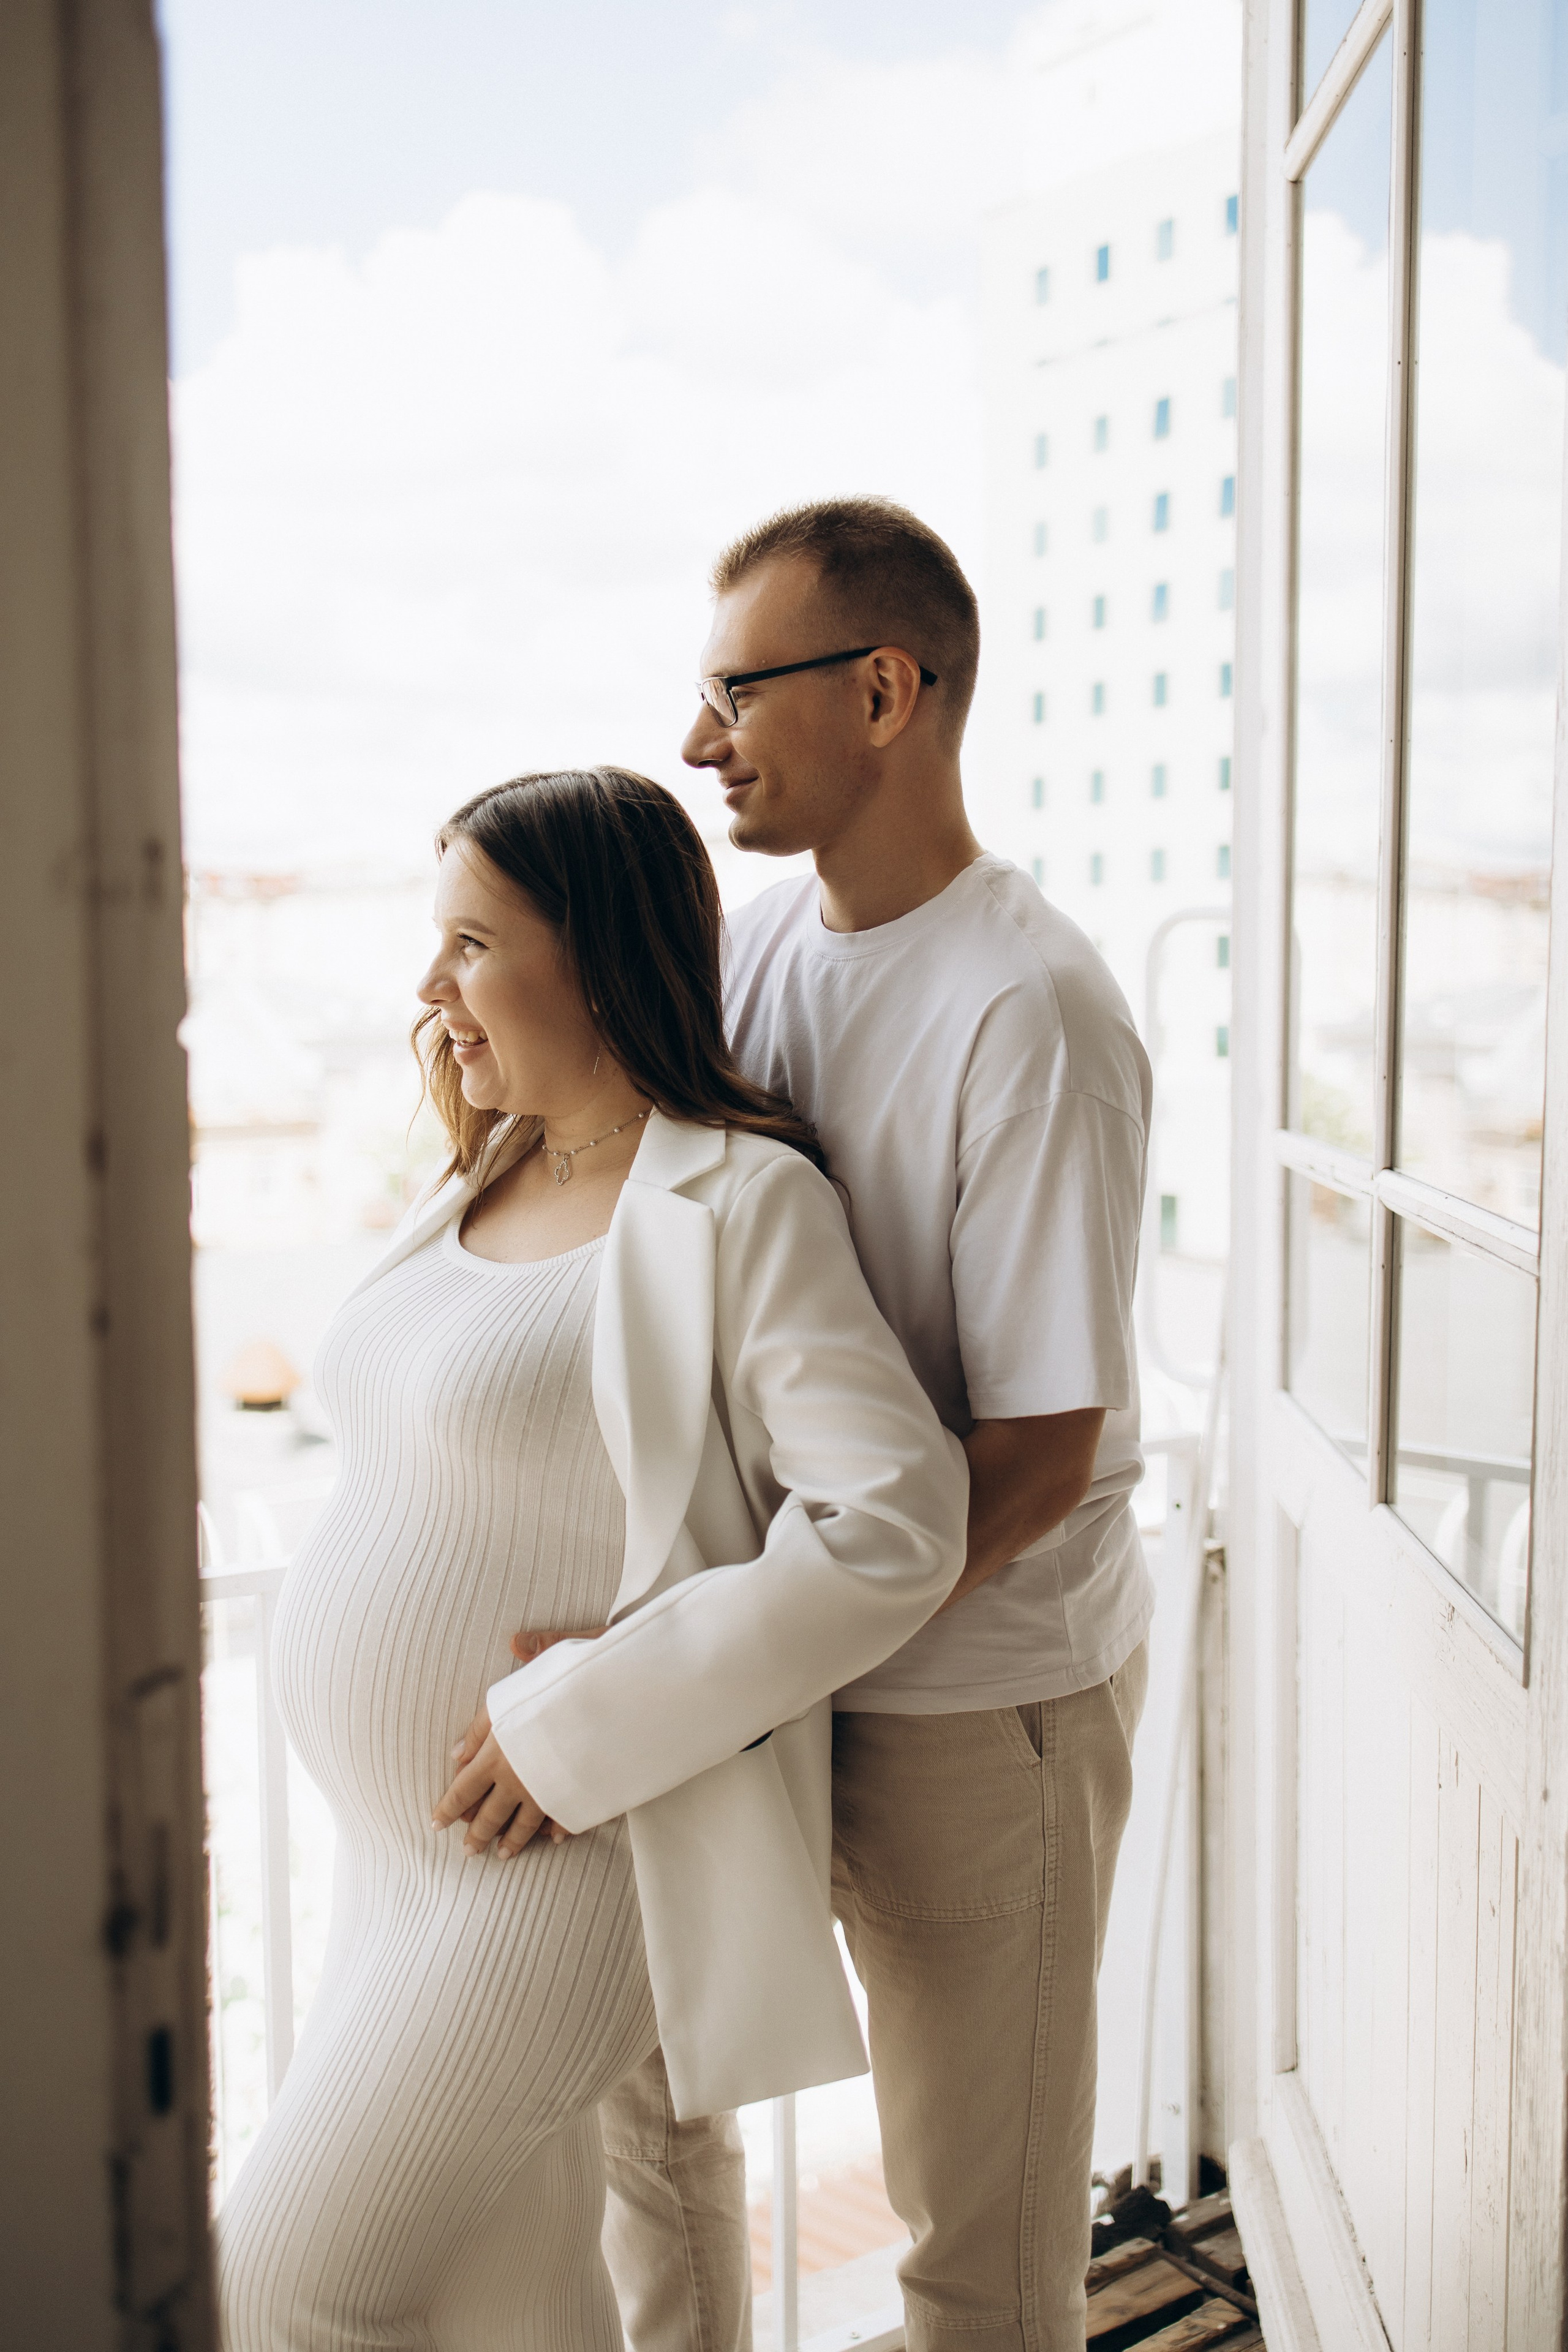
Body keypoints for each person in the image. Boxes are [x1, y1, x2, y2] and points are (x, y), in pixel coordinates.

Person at [215, 766, 970, 2351]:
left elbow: (897, 1520)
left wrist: (590, 1709)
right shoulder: (489, 1168)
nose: (432, 986)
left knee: (280, 2286)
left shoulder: (739, 1198)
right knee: (511, 2303)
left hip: (561, 1867)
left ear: (602, 953)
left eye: (474, 944)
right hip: (399, 1861)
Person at [592, 500, 1153, 2352]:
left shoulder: (1032, 1008)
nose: (698, 745)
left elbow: (1041, 1447)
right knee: (660, 2127)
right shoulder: (754, 955)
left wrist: (742, 1655)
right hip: (794, 1676)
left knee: (973, 2264)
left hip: (981, 1708)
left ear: (888, 690)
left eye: (737, 692)